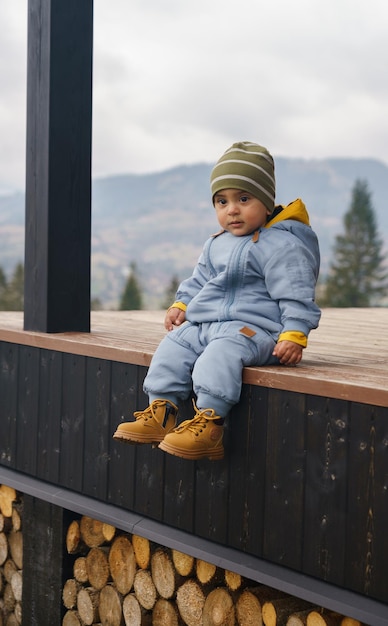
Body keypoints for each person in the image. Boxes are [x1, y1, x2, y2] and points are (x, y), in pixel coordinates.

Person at [113, 141, 321, 461]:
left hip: (256, 332)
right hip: (209, 323)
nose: (231, 209)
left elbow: (295, 292)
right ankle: (162, 411)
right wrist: (182, 304)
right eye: (221, 201)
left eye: (244, 198)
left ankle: (210, 424)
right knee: (175, 344)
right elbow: (199, 280)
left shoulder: (282, 246)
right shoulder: (217, 244)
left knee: (220, 353)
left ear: (267, 203)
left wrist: (295, 333)